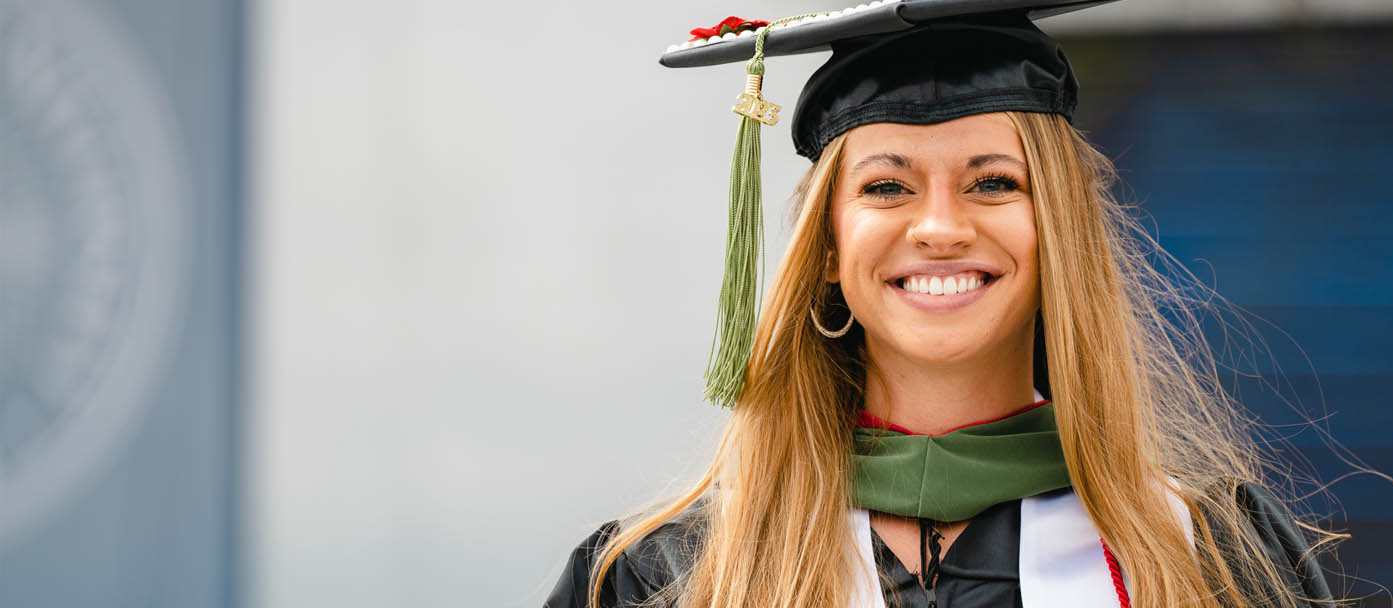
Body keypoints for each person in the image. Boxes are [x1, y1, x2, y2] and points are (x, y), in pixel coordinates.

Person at [548, 1, 1340, 606]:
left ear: (1056, 230)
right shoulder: (666, 574)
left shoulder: (1207, 556)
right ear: (826, 247)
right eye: (886, 187)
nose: (937, 228)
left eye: (993, 183)